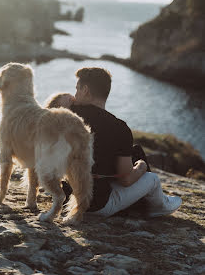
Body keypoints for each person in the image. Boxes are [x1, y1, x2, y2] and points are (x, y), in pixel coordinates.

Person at [45, 68, 182, 218]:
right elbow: (125, 179)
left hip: (65, 198)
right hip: (95, 206)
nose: (75, 95)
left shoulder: (67, 115)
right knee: (152, 178)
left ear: (85, 90)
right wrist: (141, 167)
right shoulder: (119, 127)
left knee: (131, 154)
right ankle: (158, 208)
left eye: (77, 89)